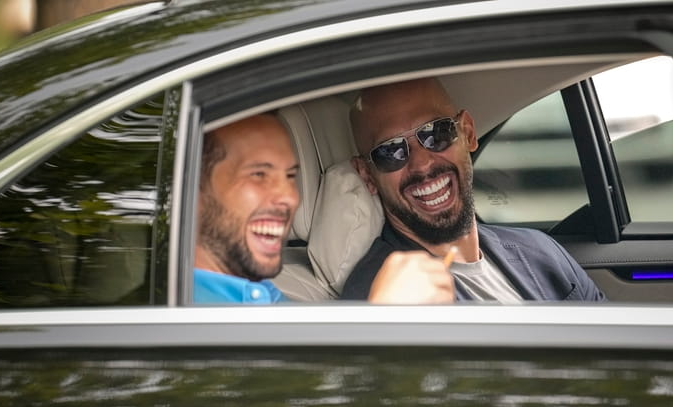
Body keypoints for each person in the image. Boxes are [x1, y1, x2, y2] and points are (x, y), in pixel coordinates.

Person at [341, 78, 605, 302]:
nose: (421, 164)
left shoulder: (541, 250)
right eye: (390, 151)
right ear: (367, 175)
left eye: (436, 133)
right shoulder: (382, 297)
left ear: (468, 132)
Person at [194, 113, 455, 304]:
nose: (289, 197)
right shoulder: (181, 315)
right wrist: (380, 318)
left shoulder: (264, 296)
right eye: (259, 175)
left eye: (290, 177)